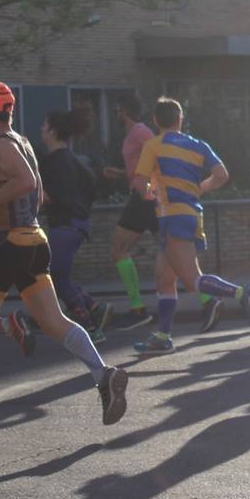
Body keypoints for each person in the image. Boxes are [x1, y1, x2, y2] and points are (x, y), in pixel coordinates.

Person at [0, 81, 126, 430]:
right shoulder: (23, 143)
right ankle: (103, 373)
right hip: (33, 240)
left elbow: (28, 182)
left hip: (5, 244)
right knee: (53, 320)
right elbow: (37, 193)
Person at [129, 97, 250, 355]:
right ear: (180, 120)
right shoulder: (198, 145)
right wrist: (202, 187)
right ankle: (163, 337)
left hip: (172, 215)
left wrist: (150, 193)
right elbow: (222, 174)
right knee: (164, 279)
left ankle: (243, 292)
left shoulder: (153, 145)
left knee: (191, 280)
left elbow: (139, 184)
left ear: (155, 121)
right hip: (187, 215)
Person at [39, 108, 111, 339]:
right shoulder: (75, 160)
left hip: (63, 225)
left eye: (44, 125)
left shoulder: (50, 163)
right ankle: (93, 307)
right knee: (60, 274)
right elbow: (92, 185)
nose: (41, 129)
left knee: (56, 278)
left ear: (51, 130)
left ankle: (88, 326)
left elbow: (47, 196)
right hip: (80, 224)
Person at [103, 95, 157, 329]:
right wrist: (121, 173)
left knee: (119, 249)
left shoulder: (139, 131)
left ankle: (138, 309)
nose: (115, 115)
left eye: (116, 110)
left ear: (124, 111)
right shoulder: (134, 134)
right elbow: (141, 166)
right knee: (174, 252)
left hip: (144, 198)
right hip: (147, 196)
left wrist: (151, 186)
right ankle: (214, 299)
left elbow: (158, 153)